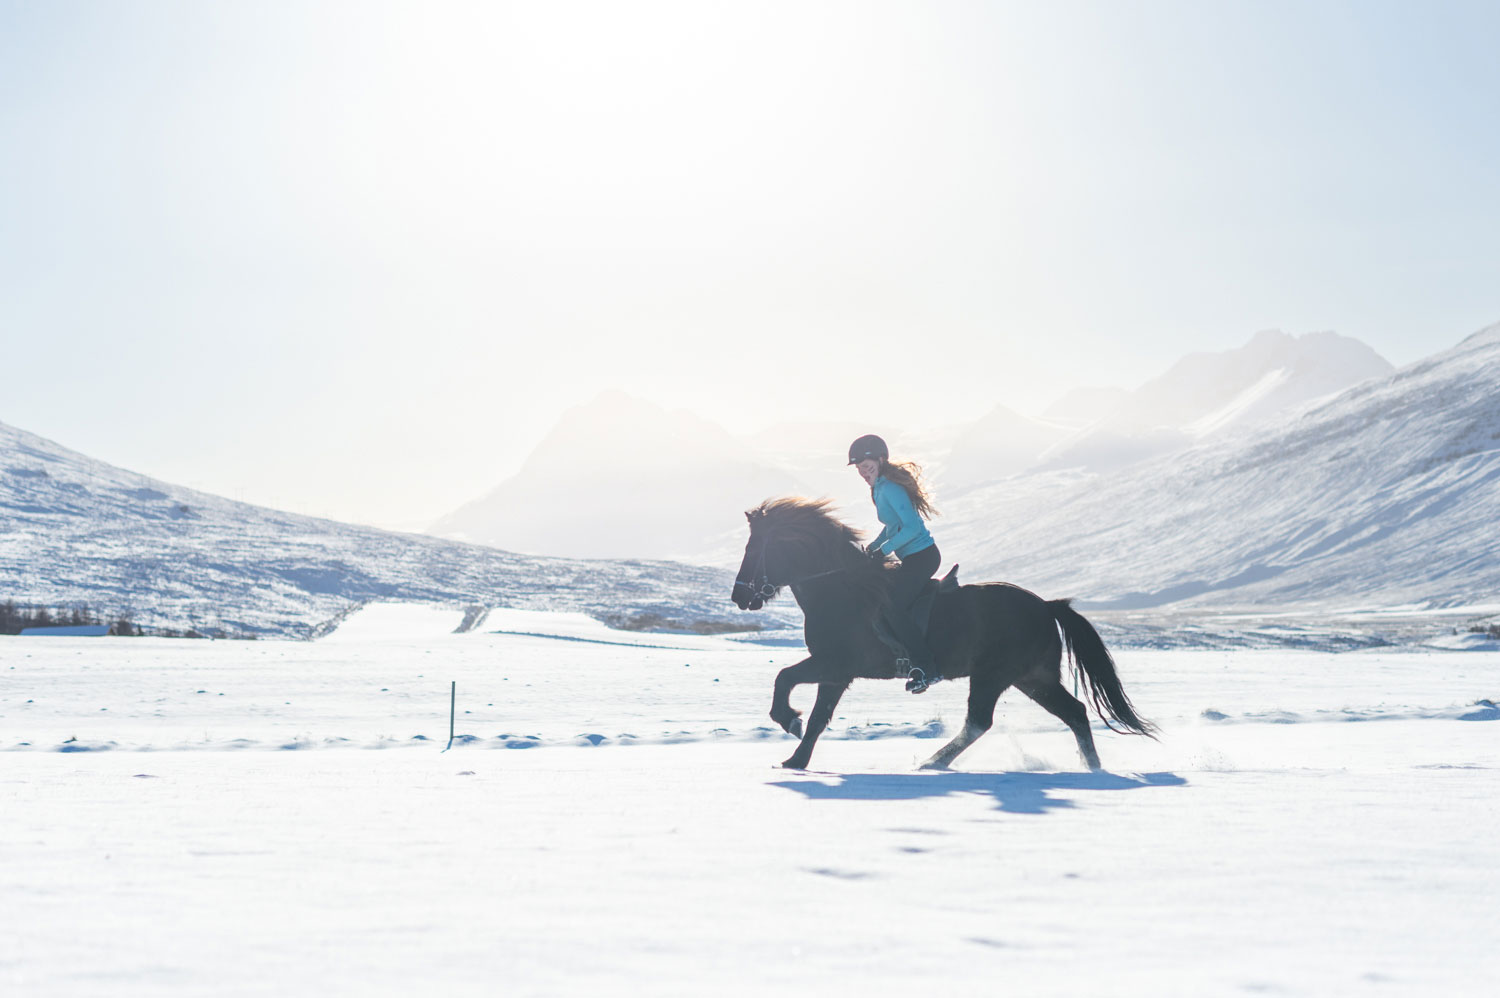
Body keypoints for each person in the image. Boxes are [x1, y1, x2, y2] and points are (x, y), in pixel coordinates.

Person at [848, 433, 942, 693]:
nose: (863, 473)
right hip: (911, 557)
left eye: (867, 468)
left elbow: (911, 527)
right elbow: (892, 526)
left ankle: (926, 667)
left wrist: (885, 550)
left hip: (922, 557)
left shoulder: (889, 487)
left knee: (892, 605)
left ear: (880, 460)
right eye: (859, 470)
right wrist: (874, 548)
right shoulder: (878, 488)